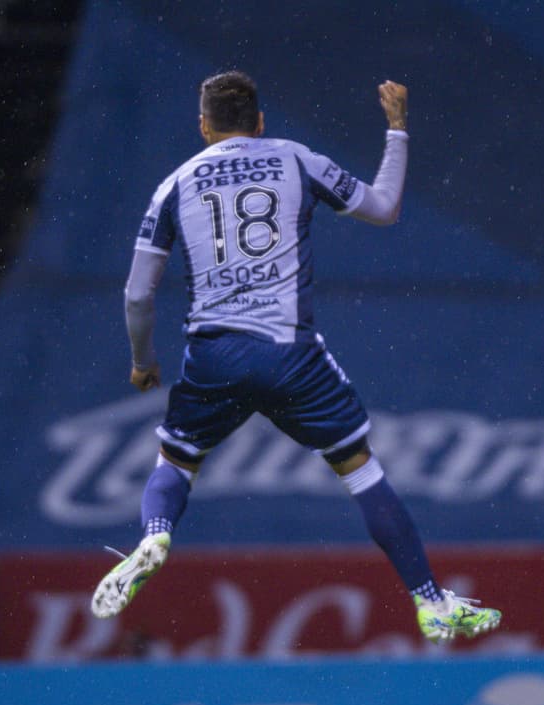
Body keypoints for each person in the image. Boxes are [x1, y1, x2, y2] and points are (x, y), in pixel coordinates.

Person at [90, 70, 500, 643]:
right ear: (259, 123)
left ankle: (155, 535)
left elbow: (138, 292)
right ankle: (430, 602)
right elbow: (383, 208)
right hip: (288, 354)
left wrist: (141, 360)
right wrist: (398, 130)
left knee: (176, 462)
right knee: (360, 468)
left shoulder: (175, 185)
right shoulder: (295, 159)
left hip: (213, 353)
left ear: (204, 127)